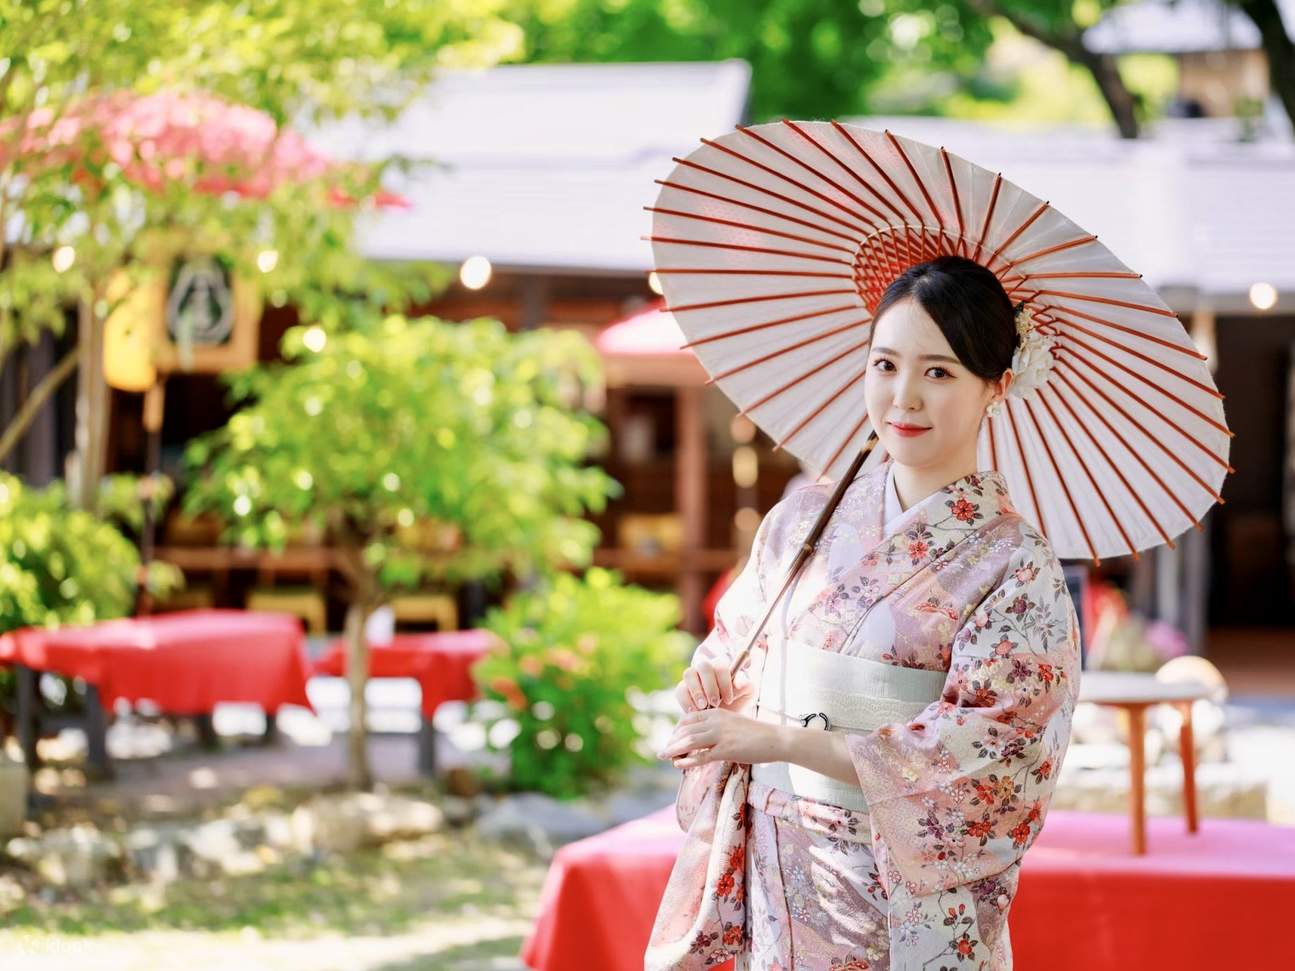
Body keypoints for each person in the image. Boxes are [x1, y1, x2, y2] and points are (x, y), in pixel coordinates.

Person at [651, 255, 1082, 971]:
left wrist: (780, 740)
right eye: (885, 365)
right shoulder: (800, 521)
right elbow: (737, 642)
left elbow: (993, 751)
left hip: (899, 890)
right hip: (778, 863)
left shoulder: (1015, 564)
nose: (903, 397)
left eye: (938, 372)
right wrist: (714, 679)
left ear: (996, 386)